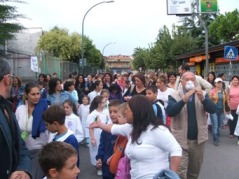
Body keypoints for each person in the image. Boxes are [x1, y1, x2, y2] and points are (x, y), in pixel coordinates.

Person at [91, 95, 182, 179]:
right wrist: (100, 125)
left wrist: (171, 175)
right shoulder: (131, 128)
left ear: (136, 111)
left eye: (127, 109)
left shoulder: (158, 130)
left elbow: (176, 150)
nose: (125, 112)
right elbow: (113, 128)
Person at [166, 71, 216, 179]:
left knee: (194, 173)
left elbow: (213, 109)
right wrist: (184, 99)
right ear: (182, 82)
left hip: (198, 141)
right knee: (180, 172)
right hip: (180, 141)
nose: (189, 81)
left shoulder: (202, 94)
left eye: (192, 79)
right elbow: (170, 111)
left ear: (196, 81)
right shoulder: (174, 95)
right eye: (186, 79)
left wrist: (203, 99)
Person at [0, 58, 31, 178]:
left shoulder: (7, 107)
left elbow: (20, 145)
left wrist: (24, 170)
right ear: (7, 79)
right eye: (12, 77)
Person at [15, 82, 49, 179]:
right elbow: (16, 130)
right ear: (26, 94)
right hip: (23, 152)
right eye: (33, 94)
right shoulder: (20, 109)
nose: (36, 97)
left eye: (38, 94)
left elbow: (51, 131)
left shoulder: (45, 108)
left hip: (39, 151)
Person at [95, 99, 122, 179]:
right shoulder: (106, 128)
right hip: (106, 166)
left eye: (115, 111)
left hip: (119, 167)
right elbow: (102, 145)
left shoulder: (124, 130)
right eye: (110, 112)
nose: (112, 114)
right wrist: (99, 157)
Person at [87, 95, 110, 176]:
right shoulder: (93, 114)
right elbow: (90, 127)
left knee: (105, 150)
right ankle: (99, 167)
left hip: (105, 134)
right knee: (96, 151)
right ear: (99, 104)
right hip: (97, 135)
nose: (105, 104)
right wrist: (93, 138)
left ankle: (105, 165)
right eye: (103, 102)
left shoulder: (107, 112)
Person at [209, 78, 230, 146]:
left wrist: (228, 109)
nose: (219, 84)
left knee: (220, 125)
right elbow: (209, 101)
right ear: (215, 84)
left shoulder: (224, 91)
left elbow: (227, 101)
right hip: (214, 111)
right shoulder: (212, 91)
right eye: (218, 83)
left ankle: (217, 136)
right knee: (215, 125)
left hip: (221, 111)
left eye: (220, 83)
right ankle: (215, 139)